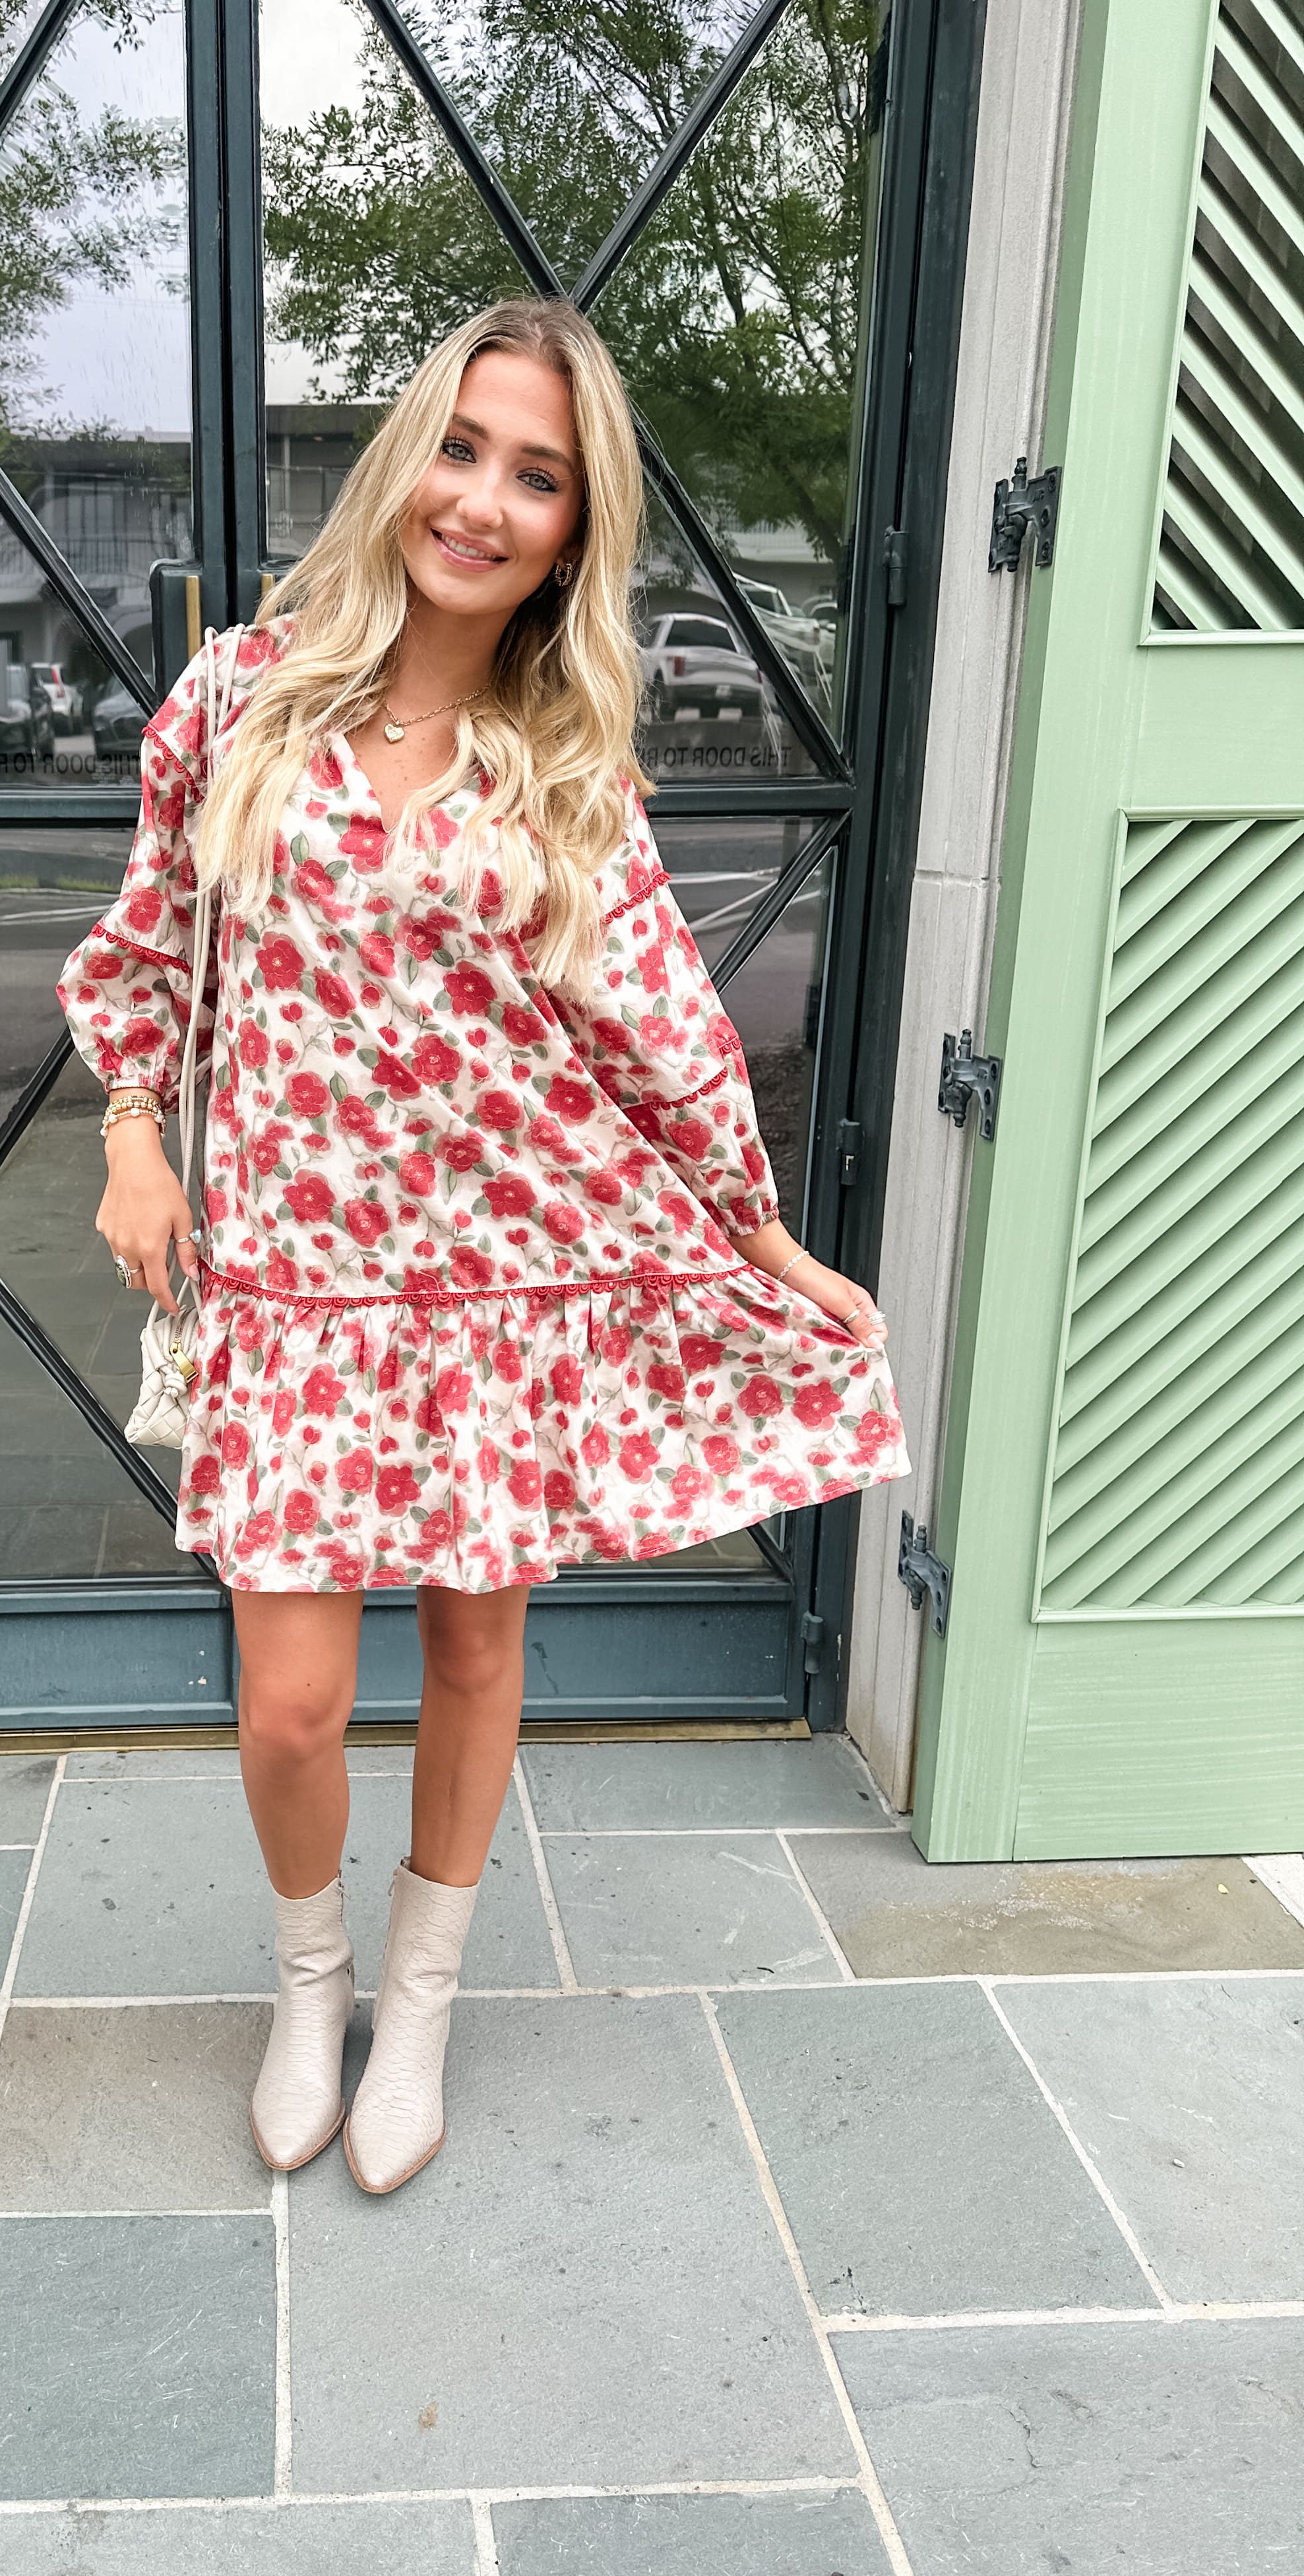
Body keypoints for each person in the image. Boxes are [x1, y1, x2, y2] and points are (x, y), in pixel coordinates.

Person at [55, 297, 907, 2197]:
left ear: (573, 527)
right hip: (296, 1279)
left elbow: (656, 1017)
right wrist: (130, 1135)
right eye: (465, 448)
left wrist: (759, 1234)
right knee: (286, 1700)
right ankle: (311, 1985)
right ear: (405, 460)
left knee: (470, 1649)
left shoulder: (565, 758)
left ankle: (421, 2003)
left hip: (503, 1278)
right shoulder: (237, 701)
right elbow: (146, 952)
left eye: (539, 476)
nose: (485, 500)